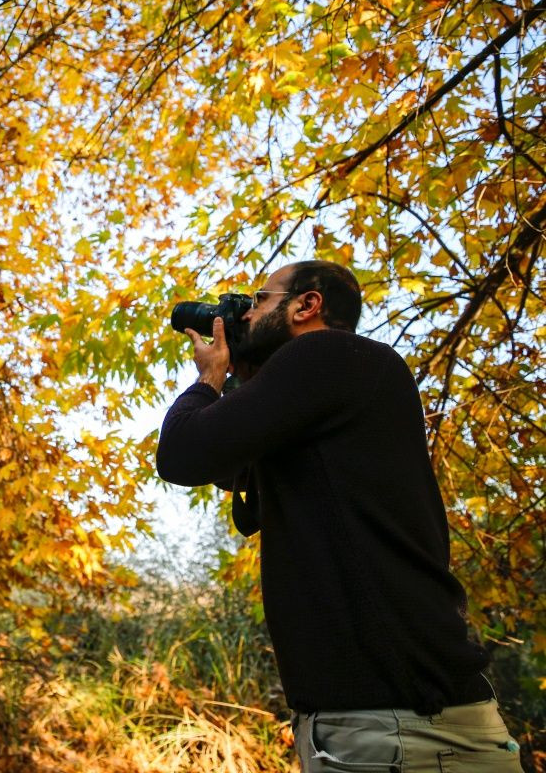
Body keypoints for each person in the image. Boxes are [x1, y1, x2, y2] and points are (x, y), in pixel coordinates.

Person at [156, 260, 524, 772]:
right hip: (397, 728)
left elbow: (183, 453)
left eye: (260, 299)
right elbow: (233, 468)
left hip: (399, 730)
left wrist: (210, 377)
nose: (246, 312)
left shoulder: (328, 353)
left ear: (307, 305)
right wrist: (248, 376)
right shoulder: (339, 383)